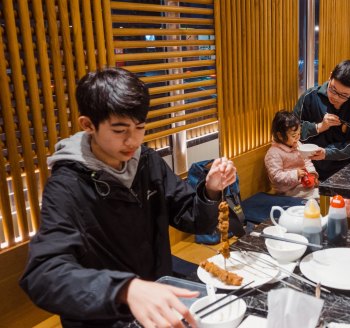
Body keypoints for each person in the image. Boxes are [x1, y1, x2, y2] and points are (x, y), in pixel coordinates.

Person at [19, 67, 237, 328]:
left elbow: (194, 220)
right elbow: (44, 274)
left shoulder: (147, 162)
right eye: (120, 130)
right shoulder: (67, 186)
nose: (133, 140)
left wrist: (210, 190)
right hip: (105, 317)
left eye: (140, 127)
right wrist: (124, 289)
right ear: (88, 125)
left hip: (158, 302)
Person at [293, 59, 350, 181]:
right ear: (330, 76)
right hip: (311, 169)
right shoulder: (309, 98)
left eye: (343, 95)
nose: (335, 97)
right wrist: (318, 127)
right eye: (333, 89)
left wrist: (327, 153)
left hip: (346, 169)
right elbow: (292, 132)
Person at [265, 110, 319, 199]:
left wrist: (312, 174)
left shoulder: (299, 145)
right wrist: (295, 174)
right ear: (280, 136)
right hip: (287, 191)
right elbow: (276, 177)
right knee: (318, 197)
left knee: (325, 192)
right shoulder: (274, 153)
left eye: (299, 134)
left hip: (303, 184)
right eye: (294, 135)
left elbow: (307, 161)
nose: (298, 137)